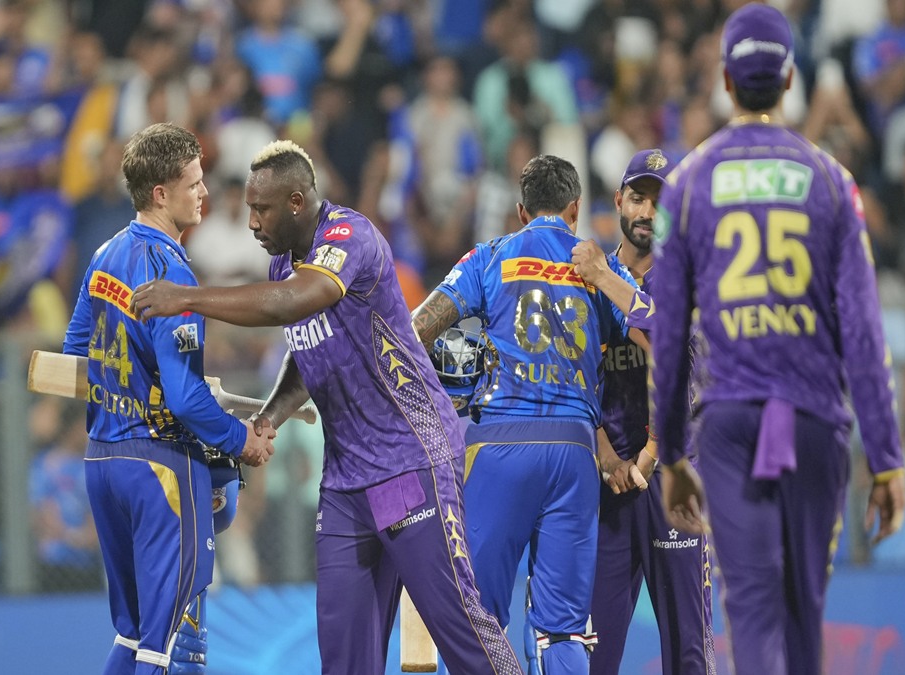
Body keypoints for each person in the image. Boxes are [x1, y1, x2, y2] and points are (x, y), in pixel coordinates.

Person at [130, 139, 522, 675]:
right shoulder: (282, 265)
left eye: (262, 209)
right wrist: (269, 417)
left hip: (411, 461)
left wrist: (188, 296)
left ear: (297, 202)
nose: (252, 223)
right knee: (343, 654)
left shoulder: (350, 236)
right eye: (249, 209)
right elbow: (306, 347)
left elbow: (297, 302)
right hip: (345, 483)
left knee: (460, 628)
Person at [649, 6, 905, 675]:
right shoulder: (832, 181)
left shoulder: (687, 184)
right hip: (816, 420)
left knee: (753, 608)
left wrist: (671, 454)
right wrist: (886, 458)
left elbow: (669, 334)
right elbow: (863, 330)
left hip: (730, 422)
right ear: (790, 79)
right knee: (803, 610)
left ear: (725, 81)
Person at [412, 154, 653, 675]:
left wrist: (443, 387)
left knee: (478, 620)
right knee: (562, 628)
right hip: (574, 450)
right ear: (575, 209)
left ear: (521, 211)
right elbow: (661, 336)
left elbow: (414, 332)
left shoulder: (489, 256)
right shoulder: (599, 266)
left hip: (500, 442)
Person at [62, 122, 274, 675]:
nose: (204, 192)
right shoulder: (172, 273)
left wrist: (131, 386)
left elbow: (75, 351)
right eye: (194, 182)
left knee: (133, 636)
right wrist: (242, 440)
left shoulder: (104, 255)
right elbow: (183, 401)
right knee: (174, 646)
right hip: (159, 467)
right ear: (161, 194)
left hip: (103, 460)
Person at [587, 150, 714, 675]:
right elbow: (577, 375)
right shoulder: (588, 279)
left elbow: (667, 338)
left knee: (688, 651)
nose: (647, 212)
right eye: (638, 198)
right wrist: (605, 455)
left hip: (673, 478)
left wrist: (652, 452)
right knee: (591, 652)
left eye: (660, 202)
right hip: (609, 483)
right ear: (619, 201)